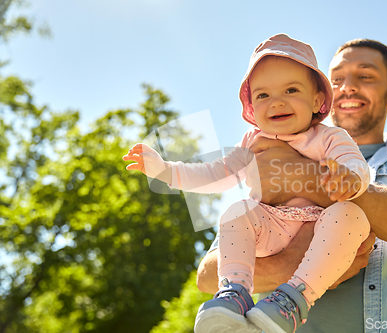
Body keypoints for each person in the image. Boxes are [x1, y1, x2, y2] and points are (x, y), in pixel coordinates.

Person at [197, 39, 387, 333]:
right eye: (338, 79)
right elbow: (207, 276)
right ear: (323, 93)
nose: (348, 87)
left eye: (365, 76)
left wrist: (304, 177)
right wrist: (293, 265)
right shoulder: (266, 150)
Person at [124, 34, 373, 333]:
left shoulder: (330, 137)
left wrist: (350, 178)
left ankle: (293, 300)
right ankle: (235, 293)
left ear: (318, 99)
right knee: (237, 211)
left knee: (352, 215)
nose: (276, 101)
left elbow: (356, 165)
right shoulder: (252, 144)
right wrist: (165, 170)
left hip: (322, 227)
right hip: (272, 227)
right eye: (263, 95)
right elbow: (212, 174)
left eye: (291, 89)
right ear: (252, 108)